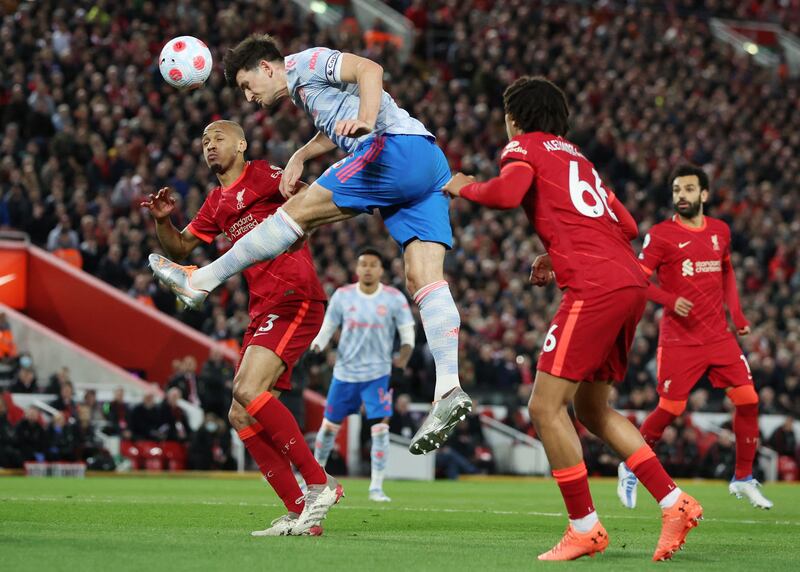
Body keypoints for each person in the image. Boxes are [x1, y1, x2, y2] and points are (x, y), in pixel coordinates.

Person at [148, 34, 471, 455]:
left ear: (267, 67)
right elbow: (336, 124)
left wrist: (369, 120)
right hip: (427, 161)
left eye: (248, 85)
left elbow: (370, 70)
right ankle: (449, 386)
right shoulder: (306, 94)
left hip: (389, 150)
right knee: (424, 279)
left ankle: (201, 282)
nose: (249, 97)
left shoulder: (307, 62)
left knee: (295, 213)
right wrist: (302, 154)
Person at [443, 76, 702, 562]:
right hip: (630, 283)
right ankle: (675, 502)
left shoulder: (523, 146)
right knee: (592, 410)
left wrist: (462, 186)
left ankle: (585, 527)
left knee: (544, 408)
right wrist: (554, 248)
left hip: (597, 286)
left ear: (513, 118)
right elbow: (625, 225)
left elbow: (504, 195)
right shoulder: (578, 157)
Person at [142, 119, 338, 537]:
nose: (209, 146)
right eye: (203, 141)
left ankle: (320, 483)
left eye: (218, 138)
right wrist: (162, 221)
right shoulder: (216, 202)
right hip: (262, 306)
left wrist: (299, 235)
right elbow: (180, 247)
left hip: (294, 296)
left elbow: (314, 204)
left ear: (242, 144)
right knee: (240, 412)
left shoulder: (266, 174)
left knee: (247, 392)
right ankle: (301, 512)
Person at [615, 165, 772, 510]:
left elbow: (726, 270)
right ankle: (630, 463)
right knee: (671, 407)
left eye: (688, 189)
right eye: (676, 190)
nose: (681, 196)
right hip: (679, 339)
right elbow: (637, 279)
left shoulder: (720, 231)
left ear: (703, 194)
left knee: (748, 400)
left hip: (718, 335)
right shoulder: (661, 235)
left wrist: (738, 314)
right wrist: (670, 300)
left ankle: (743, 478)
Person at [311, 247, 415, 502]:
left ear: (381, 270)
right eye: (363, 264)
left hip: (378, 374)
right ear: (357, 269)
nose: (368, 268)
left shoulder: (393, 298)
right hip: (345, 373)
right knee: (328, 428)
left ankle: (376, 487)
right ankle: (314, 479)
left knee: (379, 429)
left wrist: (400, 364)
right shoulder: (343, 295)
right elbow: (328, 327)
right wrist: (315, 348)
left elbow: (408, 335)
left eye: (373, 264)